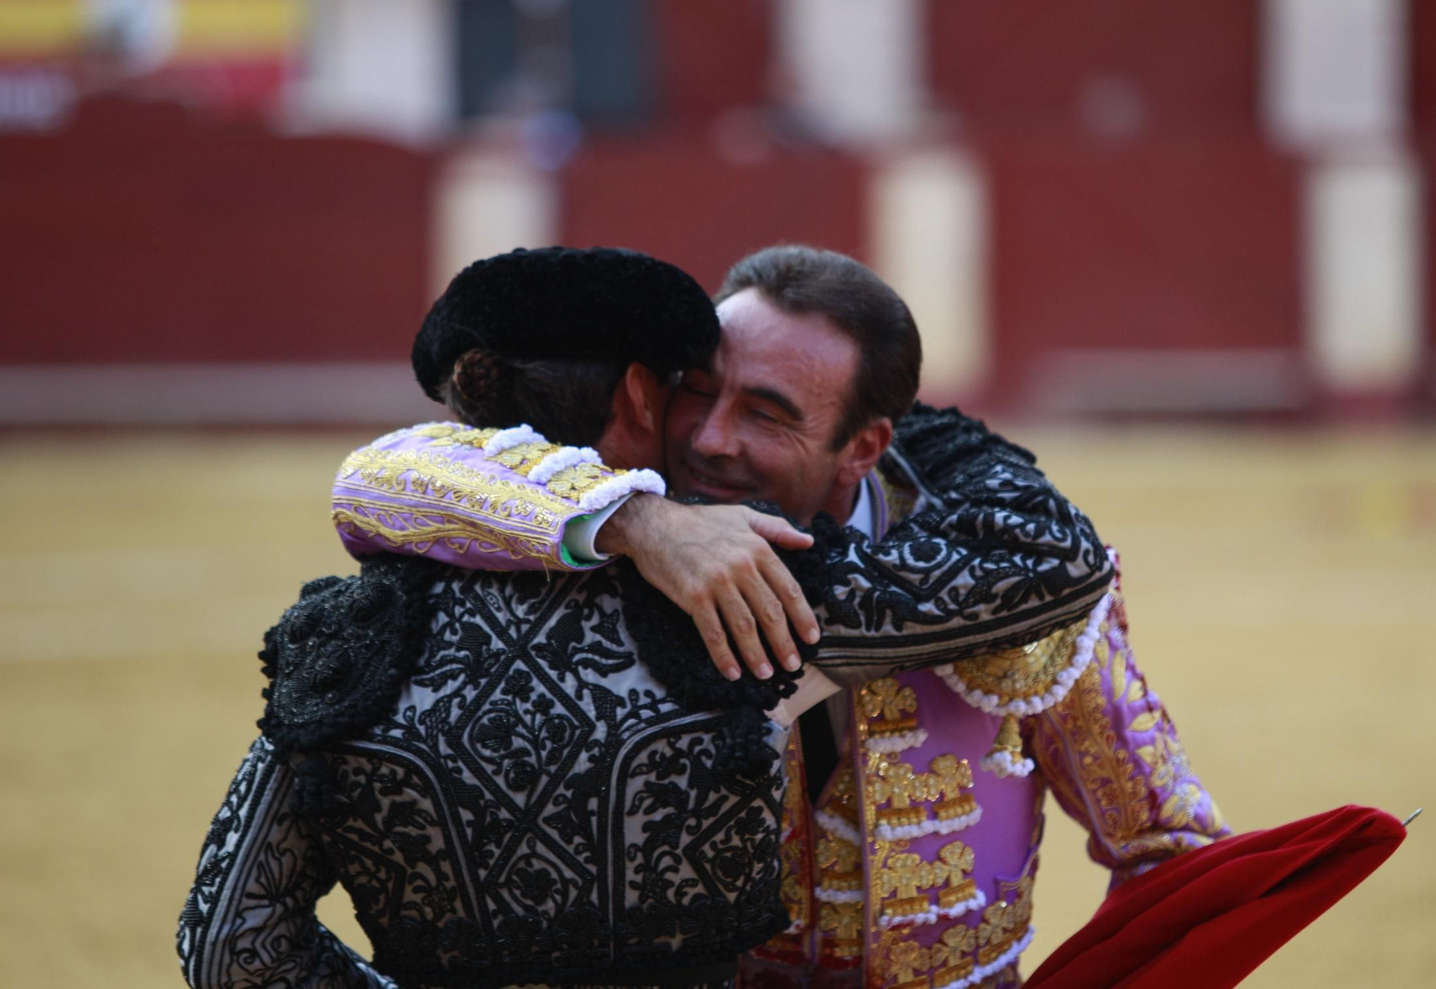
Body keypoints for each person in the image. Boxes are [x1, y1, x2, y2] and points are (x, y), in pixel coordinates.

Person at [177, 247, 1114, 989]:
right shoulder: (749, 604)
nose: (707, 437)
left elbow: (229, 940)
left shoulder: (342, 643)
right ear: (637, 395)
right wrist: (643, 517)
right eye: (690, 390)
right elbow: (1051, 562)